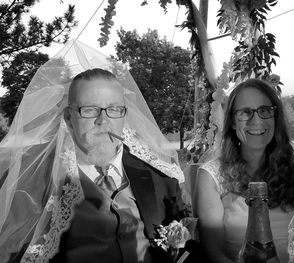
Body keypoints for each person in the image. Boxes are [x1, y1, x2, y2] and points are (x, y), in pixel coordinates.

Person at [0, 40, 194, 263]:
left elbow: (187, 251)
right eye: (89, 110)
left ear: (124, 115)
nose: (103, 121)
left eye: (113, 109)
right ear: (68, 119)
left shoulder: (161, 178)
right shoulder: (32, 185)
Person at [192, 78, 294, 262]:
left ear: (275, 118)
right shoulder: (211, 176)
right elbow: (215, 255)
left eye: (264, 111)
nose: (256, 121)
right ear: (232, 122)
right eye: (245, 112)